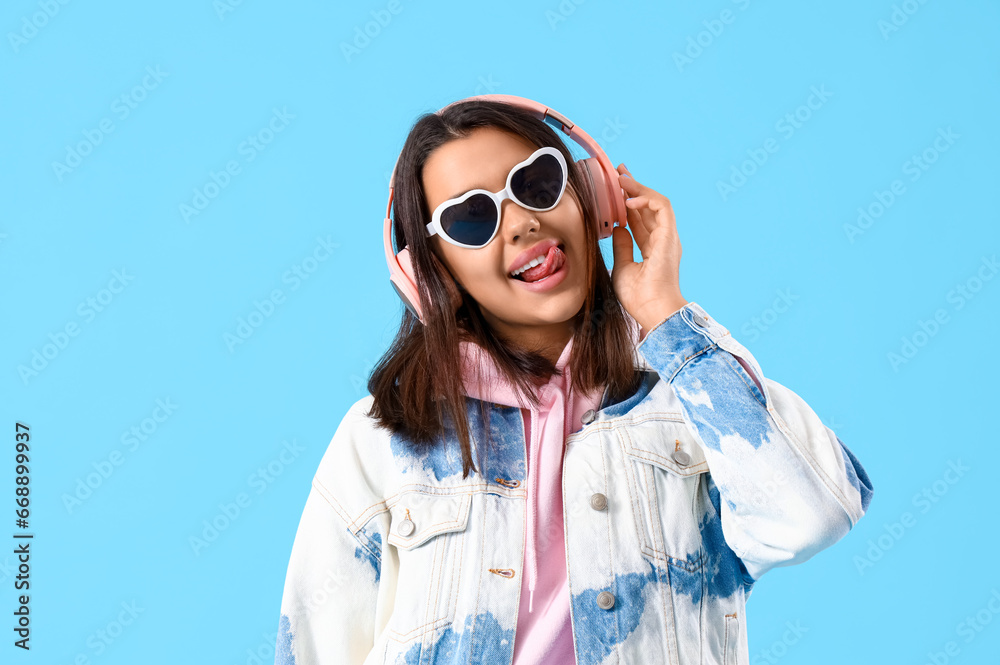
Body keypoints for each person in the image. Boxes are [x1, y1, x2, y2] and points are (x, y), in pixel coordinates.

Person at [273, 95, 874, 665]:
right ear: (435, 277)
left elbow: (812, 514)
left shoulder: (689, 400)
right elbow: (317, 647)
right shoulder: (383, 438)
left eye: (536, 183)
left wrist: (666, 316)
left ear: (591, 194)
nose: (520, 223)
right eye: (471, 218)